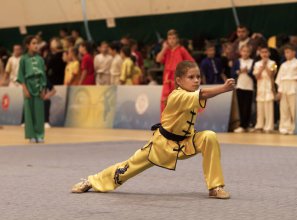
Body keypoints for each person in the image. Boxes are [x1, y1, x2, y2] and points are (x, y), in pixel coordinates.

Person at [71, 61, 235, 199]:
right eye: (191, 77)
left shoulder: (191, 93)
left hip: (186, 143)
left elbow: (200, 95)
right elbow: (203, 94)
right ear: (178, 80)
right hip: (161, 146)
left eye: (198, 76)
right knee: (126, 169)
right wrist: (223, 88)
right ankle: (92, 181)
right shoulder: (177, 95)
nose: (196, 80)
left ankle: (215, 187)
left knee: (209, 137)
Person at [17, 35, 47, 143]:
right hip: (28, 87)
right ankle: (31, 135)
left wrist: (43, 89)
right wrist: (25, 89)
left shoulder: (40, 59)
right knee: (29, 112)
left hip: (38, 86)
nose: (36, 45)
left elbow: (43, 75)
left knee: (39, 112)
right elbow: (21, 75)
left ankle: (40, 134)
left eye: (37, 43)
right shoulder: (23, 59)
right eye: (33, 43)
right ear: (28, 45)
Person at [156, 29, 194, 113]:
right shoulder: (166, 50)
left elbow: (192, 63)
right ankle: (165, 124)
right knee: (164, 103)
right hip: (167, 81)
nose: (171, 41)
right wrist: (164, 48)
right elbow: (158, 59)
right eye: (169, 38)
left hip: (178, 81)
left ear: (177, 39)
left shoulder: (181, 49)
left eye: (173, 38)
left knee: (179, 103)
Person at [275, 44, 297, 135]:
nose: (287, 54)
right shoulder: (283, 65)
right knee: (284, 108)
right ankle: (284, 127)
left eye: (288, 52)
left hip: (294, 84)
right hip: (284, 86)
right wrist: (279, 91)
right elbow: (279, 79)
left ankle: (295, 127)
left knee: (294, 108)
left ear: (294, 53)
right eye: (285, 53)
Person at [231, 44, 255, 133]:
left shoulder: (252, 61)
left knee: (248, 107)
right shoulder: (238, 61)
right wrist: (239, 71)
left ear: (250, 53)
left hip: (249, 87)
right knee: (241, 106)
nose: (245, 53)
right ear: (240, 52)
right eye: (244, 51)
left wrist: (248, 72)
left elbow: (254, 74)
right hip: (240, 86)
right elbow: (232, 73)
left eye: (247, 51)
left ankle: (247, 125)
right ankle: (241, 125)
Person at [253, 46, 277, 133]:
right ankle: (259, 125)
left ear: (269, 53)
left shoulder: (273, 63)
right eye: (262, 52)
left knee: (269, 108)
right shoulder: (256, 64)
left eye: (266, 52)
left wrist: (265, 66)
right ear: (260, 54)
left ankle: (269, 126)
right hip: (260, 88)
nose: (264, 54)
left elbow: (272, 74)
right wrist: (261, 68)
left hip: (269, 88)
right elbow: (256, 76)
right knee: (260, 108)